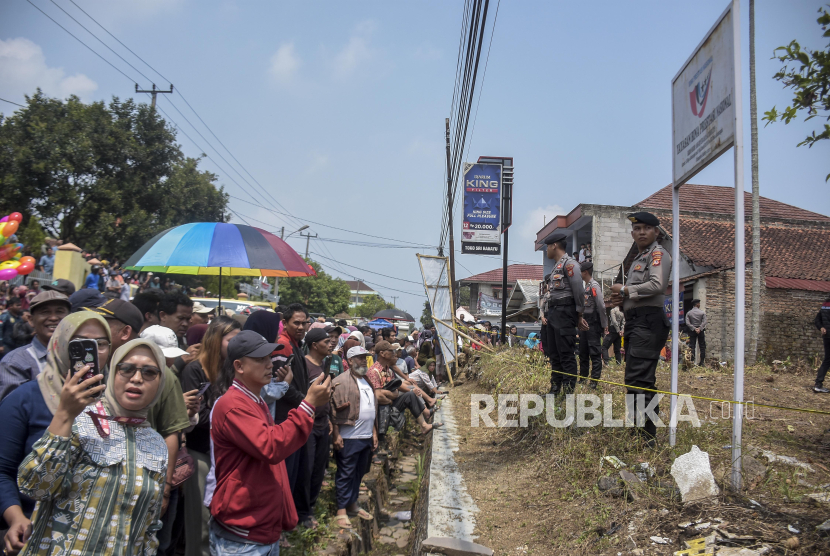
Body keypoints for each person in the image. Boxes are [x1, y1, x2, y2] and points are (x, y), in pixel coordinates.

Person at [17, 338, 168, 556]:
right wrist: (64, 414)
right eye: (126, 369)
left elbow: (150, 527)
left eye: (149, 372)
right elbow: (35, 486)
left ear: (160, 382)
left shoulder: (156, 444)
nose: (136, 378)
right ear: (112, 373)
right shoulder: (79, 423)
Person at [209, 330, 331, 555]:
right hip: (243, 533)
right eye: (259, 359)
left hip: (259, 526)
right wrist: (308, 404)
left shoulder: (254, 399)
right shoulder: (233, 405)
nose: (269, 364)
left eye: (268, 358)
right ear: (239, 366)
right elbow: (271, 446)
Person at [0, 312, 111, 556]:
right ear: (60, 344)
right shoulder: (24, 399)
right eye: (79, 343)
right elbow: (2, 471)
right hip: (35, 531)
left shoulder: (116, 402)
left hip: (93, 538)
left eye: (100, 344)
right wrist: (15, 516)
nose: (92, 352)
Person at [610, 212, 672, 446]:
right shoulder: (639, 257)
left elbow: (657, 285)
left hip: (649, 322)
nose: (641, 232)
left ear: (657, 231)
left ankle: (648, 436)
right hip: (636, 321)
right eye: (637, 229)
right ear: (632, 233)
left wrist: (625, 291)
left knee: (642, 379)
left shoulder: (658, 254)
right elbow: (638, 293)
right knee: (633, 378)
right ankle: (638, 429)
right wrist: (622, 303)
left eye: (647, 228)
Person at [180, 317, 240, 556]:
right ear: (216, 340)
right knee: (201, 522)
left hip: (225, 454)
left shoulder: (232, 369)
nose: (236, 345)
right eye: (231, 340)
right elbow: (196, 416)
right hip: (201, 452)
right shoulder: (194, 370)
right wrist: (231, 422)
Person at [330, 346, 378, 529]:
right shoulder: (340, 381)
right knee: (346, 472)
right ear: (349, 361)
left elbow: (373, 410)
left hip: (366, 435)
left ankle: (352, 504)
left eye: (364, 358)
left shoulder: (367, 380)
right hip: (349, 436)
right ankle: (341, 510)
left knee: (359, 471)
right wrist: (336, 434)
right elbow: (333, 410)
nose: (362, 361)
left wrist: (374, 432)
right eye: (358, 358)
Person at [0, 292, 70, 402]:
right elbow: (12, 412)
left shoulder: (77, 355)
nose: (53, 318)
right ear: (31, 320)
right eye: (45, 312)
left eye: (60, 311)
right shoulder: (15, 362)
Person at [542, 232, 586, 395]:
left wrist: (579, 315)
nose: (547, 250)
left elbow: (579, 291)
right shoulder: (556, 266)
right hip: (554, 312)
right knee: (554, 354)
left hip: (565, 312)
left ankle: (567, 393)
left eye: (548, 247)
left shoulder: (570, 264)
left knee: (566, 354)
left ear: (555, 246)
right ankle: (554, 389)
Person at [300, 327, 334, 528]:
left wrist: (328, 416)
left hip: (323, 422)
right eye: (326, 341)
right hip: (308, 424)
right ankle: (302, 512)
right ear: (314, 345)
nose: (330, 344)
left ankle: (310, 507)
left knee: (319, 468)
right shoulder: (304, 366)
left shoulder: (323, 365)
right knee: (307, 467)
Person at [367, 340, 438, 434]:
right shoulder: (374, 372)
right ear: (382, 353)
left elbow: (396, 387)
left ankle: (424, 425)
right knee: (409, 392)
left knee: (411, 394)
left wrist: (391, 394)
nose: (394, 353)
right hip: (381, 407)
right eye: (391, 351)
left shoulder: (388, 370)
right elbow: (378, 396)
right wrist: (391, 399)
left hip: (389, 403)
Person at [578, 262, 608, 388]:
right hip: (584, 321)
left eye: (580, 271)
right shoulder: (585, 287)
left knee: (595, 352)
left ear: (585, 272)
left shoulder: (594, 286)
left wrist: (604, 324)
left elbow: (601, 306)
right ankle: (583, 379)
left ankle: (594, 382)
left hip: (593, 322)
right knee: (583, 352)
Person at [813, 296, 830, 393]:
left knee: (827, 360)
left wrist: (821, 327)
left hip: (827, 336)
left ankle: (818, 384)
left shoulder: (825, 305)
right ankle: (818, 383)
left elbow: (817, 320)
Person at [685, 299, 707, 367]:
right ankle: (702, 362)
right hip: (700, 331)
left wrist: (694, 328)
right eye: (699, 304)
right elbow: (705, 322)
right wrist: (699, 328)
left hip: (692, 331)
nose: (699, 305)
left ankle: (692, 361)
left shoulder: (689, 313)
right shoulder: (702, 313)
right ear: (697, 304)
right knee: (702, 346)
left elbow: (687, 323)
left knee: (692, 346)